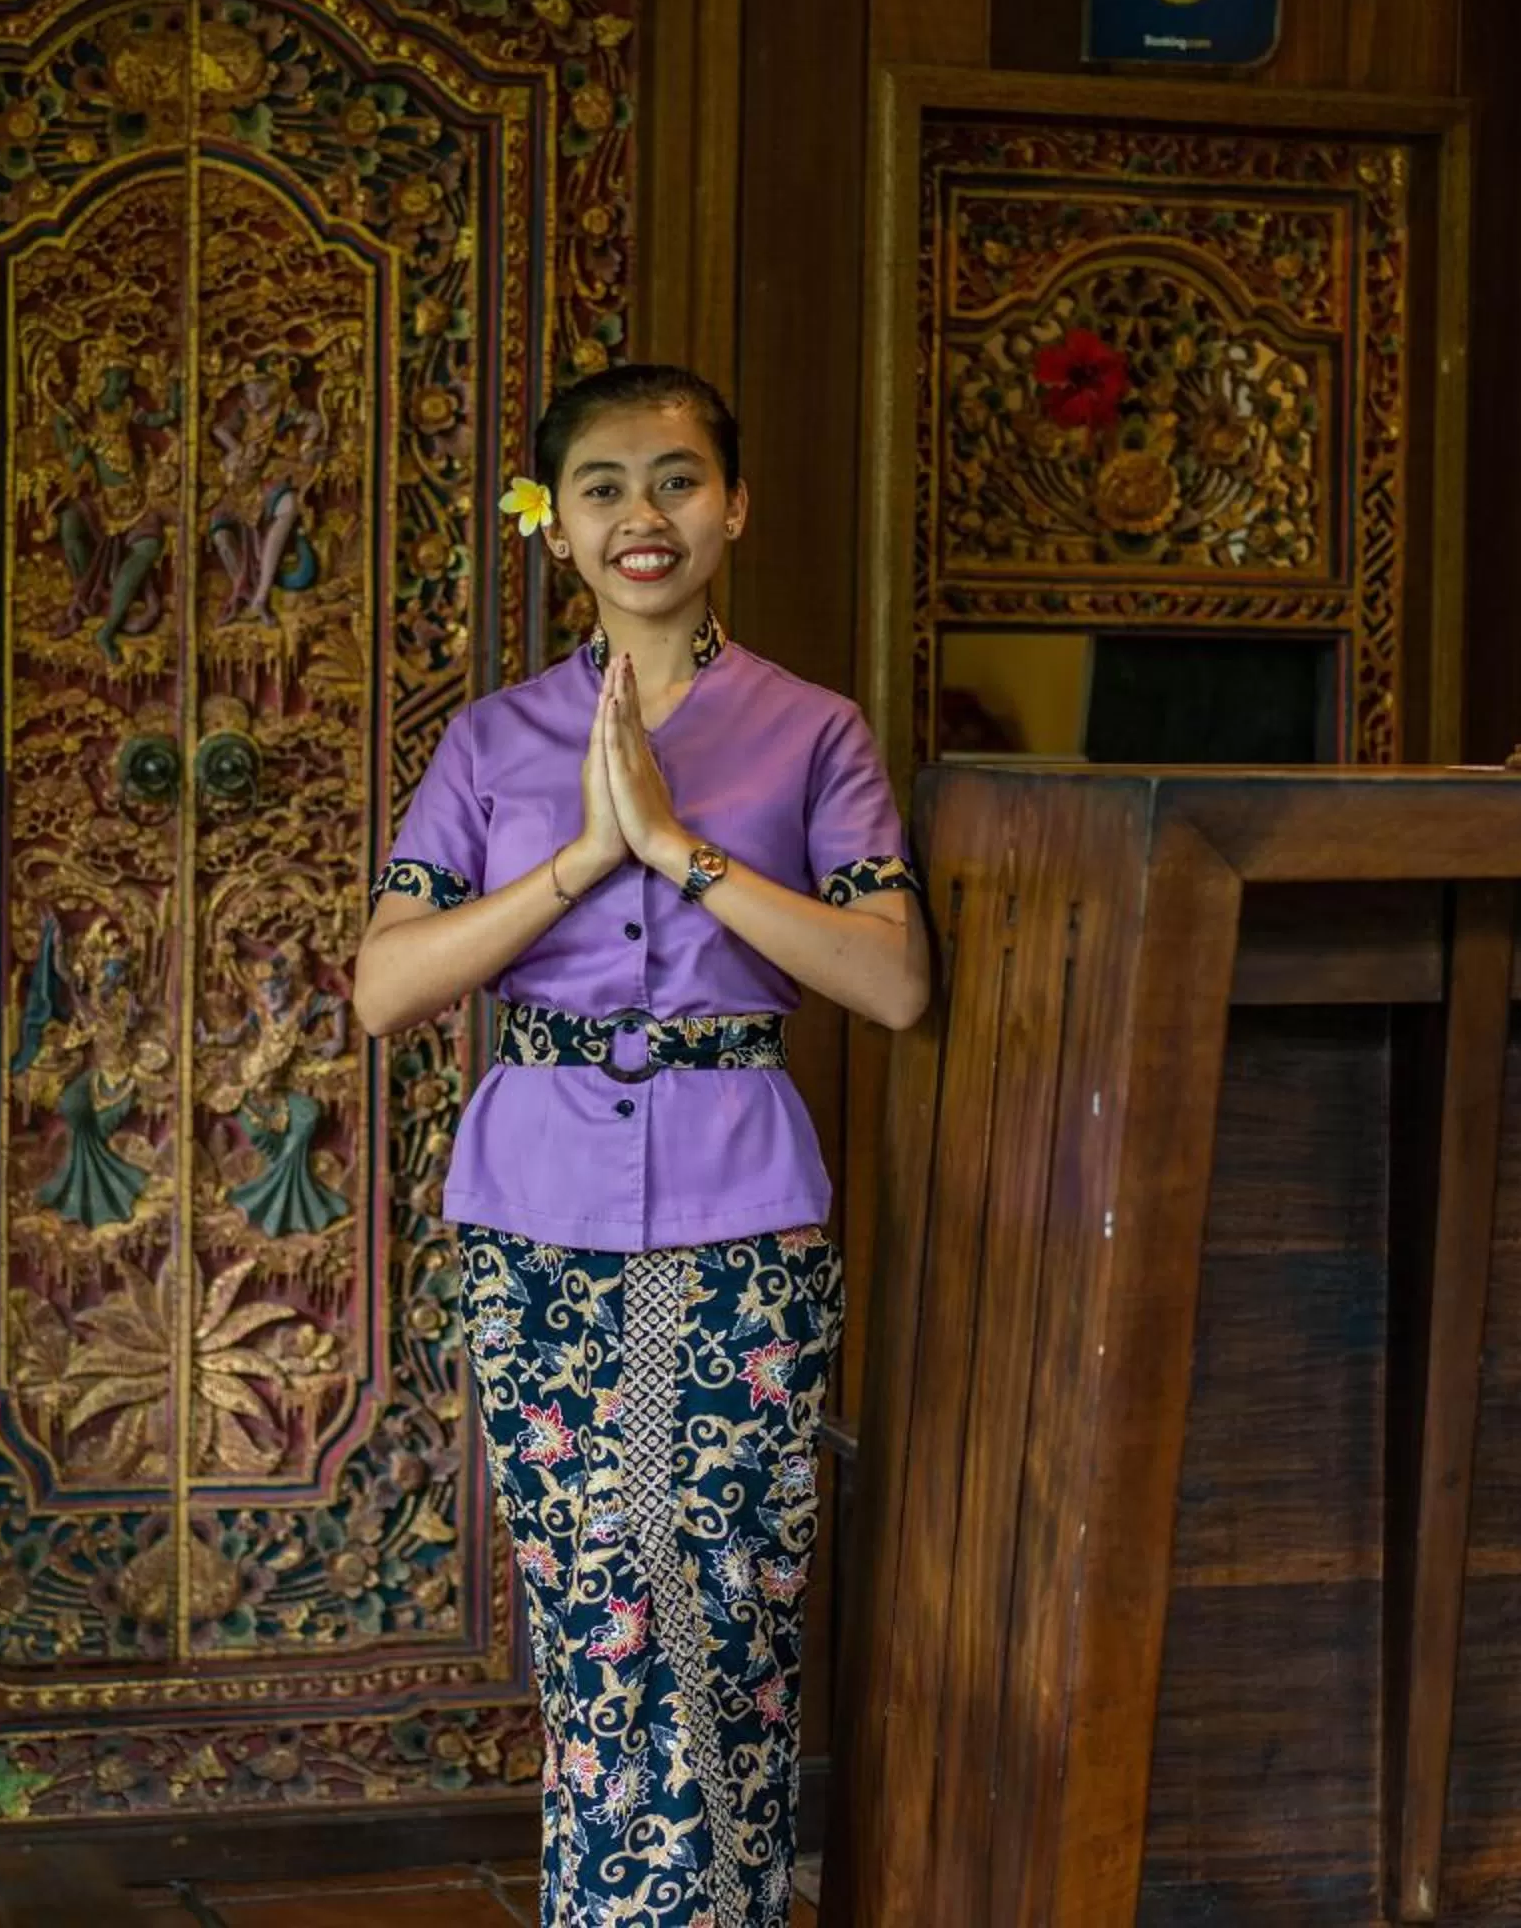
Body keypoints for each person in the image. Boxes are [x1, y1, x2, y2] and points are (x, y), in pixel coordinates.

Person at [352, 364, 930, 1928]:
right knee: (592, 1599)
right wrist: (580, 861)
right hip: (534, 1210)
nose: (642, 517)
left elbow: (889, 979)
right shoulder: (494, 740)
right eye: (600, 487)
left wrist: (677, 850)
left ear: (733, 505)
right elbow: (386, 983)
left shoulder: (812, 730)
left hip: (739, 1211)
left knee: (724, 1600)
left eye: (676, 480)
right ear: (557, 528)